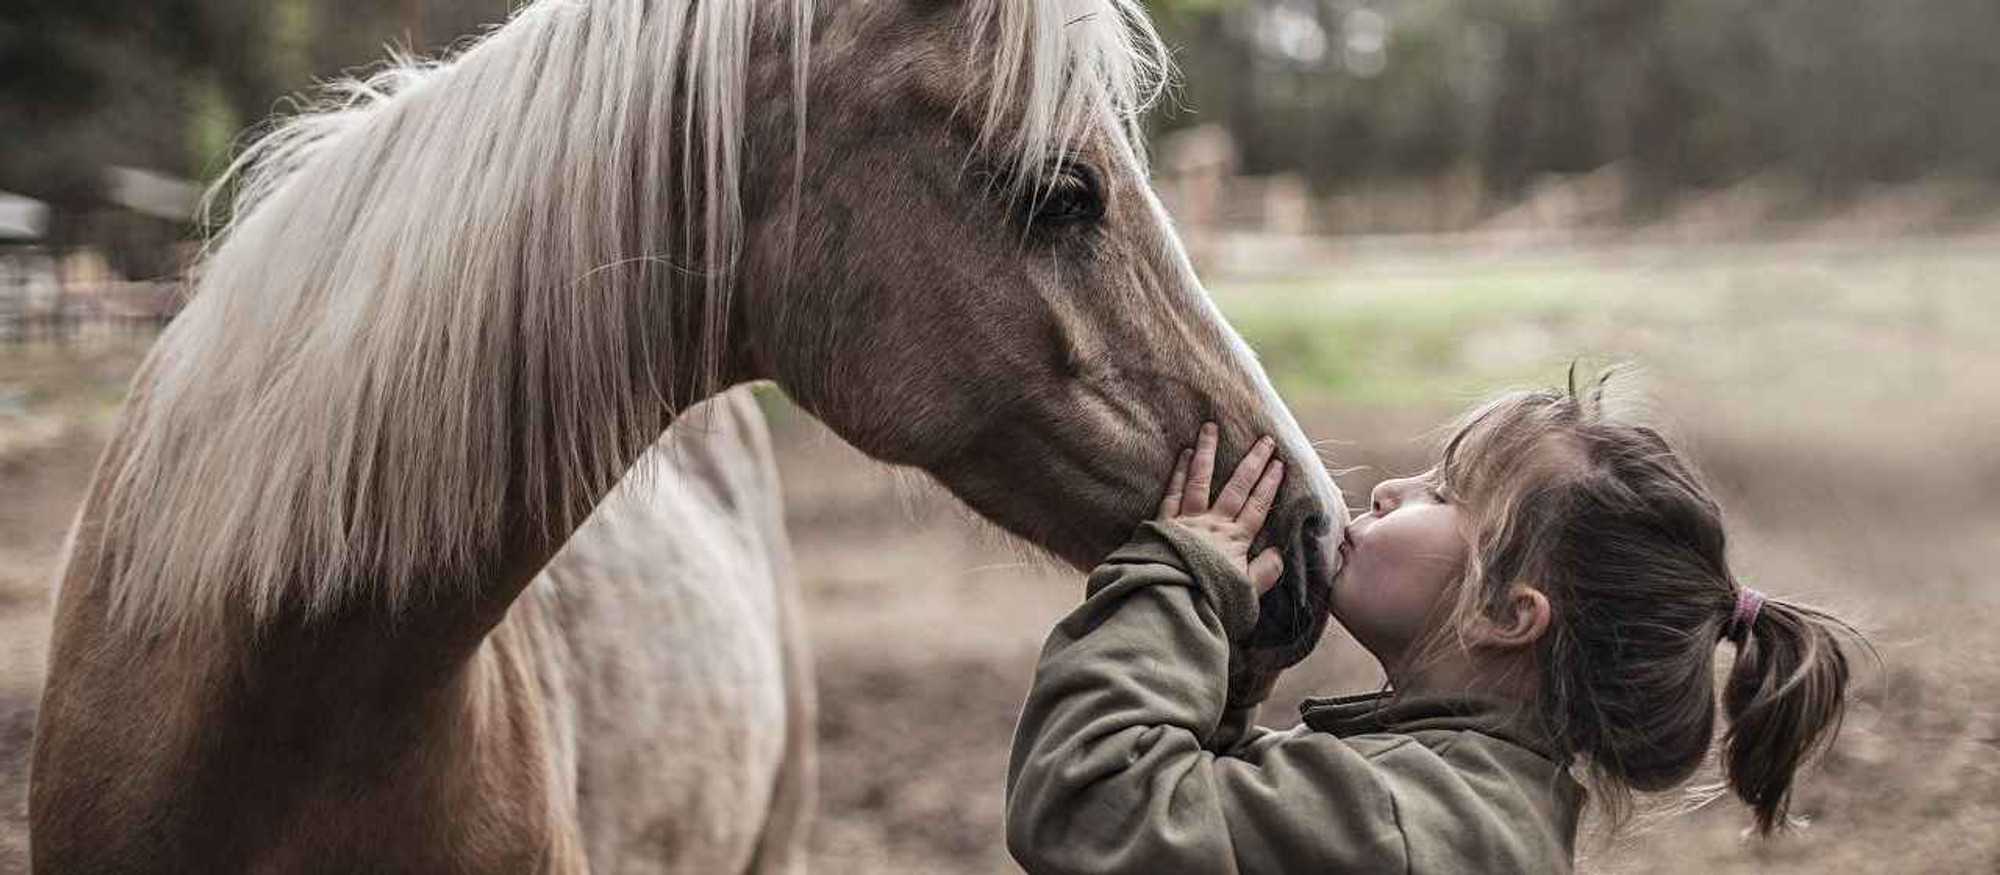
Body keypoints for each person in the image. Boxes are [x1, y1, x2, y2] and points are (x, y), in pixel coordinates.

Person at [1005, 373, 1863, 874]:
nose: (1387, 490)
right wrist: (1232, 660)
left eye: (1445, 494)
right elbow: (1231, 825)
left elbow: (1092, 804)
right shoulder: (1465, 807)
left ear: (1504, 613)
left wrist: (1171, 584)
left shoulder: (1398, 820)